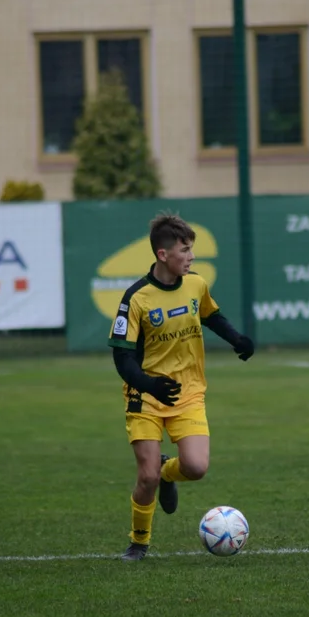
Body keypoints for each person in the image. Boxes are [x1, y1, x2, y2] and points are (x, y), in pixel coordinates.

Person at [107, 212, 254, 561]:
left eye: (191, 250)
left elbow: (210, 315)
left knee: (196, 468)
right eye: (185, 250)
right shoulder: (136, 299)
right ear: (163, 255)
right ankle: (138, 542)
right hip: (145, 395)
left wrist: (237, 339)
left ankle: (167, 469)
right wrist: (148, 385)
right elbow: (121, 358)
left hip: (188, 393)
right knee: (146, 478)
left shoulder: (196, 284)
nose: (190, 257)